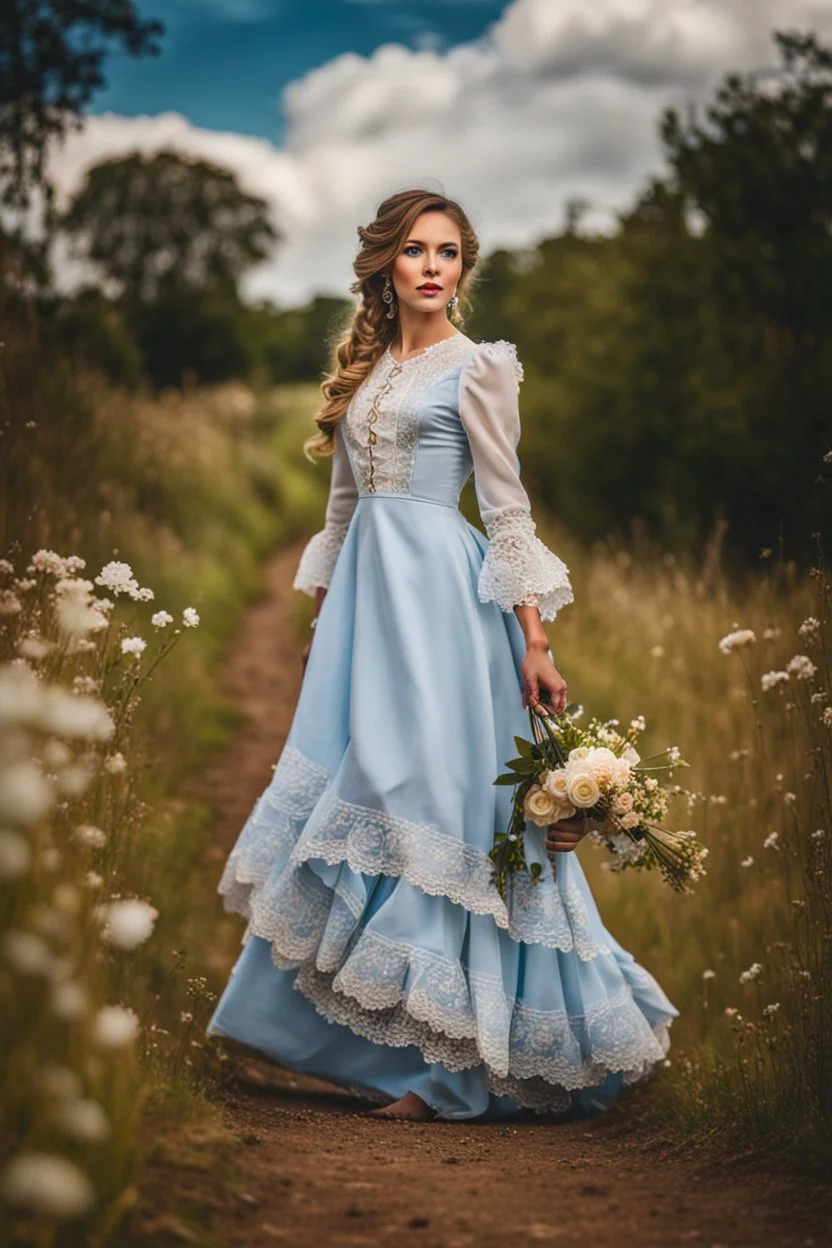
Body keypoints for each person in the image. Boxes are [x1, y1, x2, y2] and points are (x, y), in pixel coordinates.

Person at [207, 187, 678, 1122]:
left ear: (464, 268)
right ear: (387, 262)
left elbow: (506, 510)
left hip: (444, 611)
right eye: (417, 250)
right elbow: (343, 512)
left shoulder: (479, 368)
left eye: (450, 253)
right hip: (366, 616)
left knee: (425, 802)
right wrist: (322, 622)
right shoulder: (368, 372)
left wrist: (535, 639)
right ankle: (336, 1041)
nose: (433, 267)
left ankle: (447, 1072)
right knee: (358, 792)